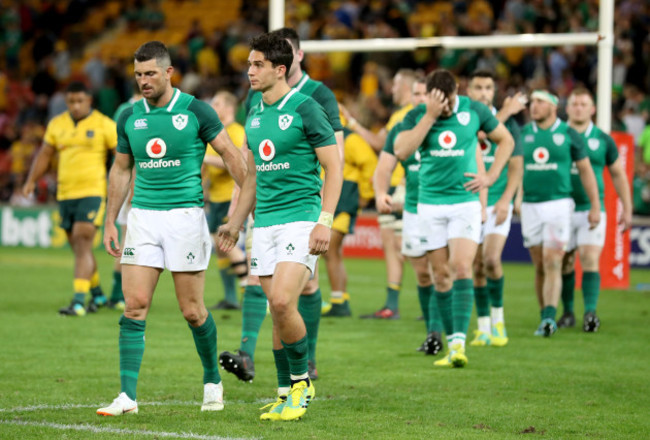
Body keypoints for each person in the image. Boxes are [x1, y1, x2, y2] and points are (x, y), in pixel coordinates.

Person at [96, 41, 251, 416]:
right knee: (134, 306)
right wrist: (110, 220)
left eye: (150, 73)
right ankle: (127, 396)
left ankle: (212, 381)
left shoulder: (196, 110)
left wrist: (246, 207)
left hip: (185, 218)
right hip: (143, 218)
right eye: (138, 75)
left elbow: (231, 154)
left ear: (168, 73)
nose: (143, 81)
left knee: (193, 311)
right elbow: (120, 169)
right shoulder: (129, 116)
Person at [218, 32, 342, 422]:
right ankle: (285, 390)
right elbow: (252, 175)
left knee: (285, 301)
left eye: (257, 65)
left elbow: (334, 166)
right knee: (276, 308)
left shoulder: (306, 108)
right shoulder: (254, 110)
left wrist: (325, 221)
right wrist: (235, 223)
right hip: (265, 224)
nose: (249, 71)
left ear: (280, 69)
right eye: (249, 64)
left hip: (301, 218)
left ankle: (302, 386)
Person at [394, 69, 515, 368]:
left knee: (462, 266)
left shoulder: (474, 110)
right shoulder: (418, 115)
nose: (445, 108)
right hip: (430, 206)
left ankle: (459, 344)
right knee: (441, 276)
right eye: (439, 103)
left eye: (447, 102)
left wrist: (491, 175)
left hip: (465, 203)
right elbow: (401, 151)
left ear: (456, 91)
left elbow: (507, 141)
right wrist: (430, 116)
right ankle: (451, 343)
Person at [23, 81, 115, 316]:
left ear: (89, 100)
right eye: (71, 101)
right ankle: (98, 294)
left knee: (83, 242)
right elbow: (45, 154)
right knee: (79, 249)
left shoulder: (104, 124)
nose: (75, 106)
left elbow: (122, 157)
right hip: (65, 194)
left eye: (80, 101)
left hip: (92, 192)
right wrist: (31, 180)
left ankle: (77, 302)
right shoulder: (57, 124)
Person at [519, 90, 600, 337]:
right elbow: (515, 168)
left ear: (554, 107)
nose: (534, 106)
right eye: (532, 102)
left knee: (553, 260)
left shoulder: (568, 134)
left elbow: (586, 171)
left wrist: (596, 204)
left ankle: (549, 319)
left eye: (540, 102)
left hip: (558, 205)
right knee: (540, 265)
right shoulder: (523, 134)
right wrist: (515, 196)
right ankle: (545, 314)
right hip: (530, 206)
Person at [374, 77, 444, 354]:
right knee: (424, 274)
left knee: (442, 271)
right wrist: (381, 192)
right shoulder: (402, 128)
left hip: (442, 207)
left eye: (425, 94)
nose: (419, 99)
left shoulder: (447, 124)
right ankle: (433, 332)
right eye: (415, 94)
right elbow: (384, 166)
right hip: (414, 208)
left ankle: (447, 332)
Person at [342, 69, 418, 319]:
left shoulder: (410, 115)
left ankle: (424, 305)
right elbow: (379, 143)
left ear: (406, 87)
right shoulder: (399, 115)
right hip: (394, 185)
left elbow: (377, 144)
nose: (391, 90)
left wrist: (352, 123)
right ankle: (393, 304)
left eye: (395, 85)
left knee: (409, 247)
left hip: (404, 185)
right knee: (394, 245)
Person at [558, 88, 632, 332]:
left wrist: (627, 206)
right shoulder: (558, 135)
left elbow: (618, 174)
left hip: (593, 207)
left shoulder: (602, 139)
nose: (578, 107)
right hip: (560, 208)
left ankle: (590, 313)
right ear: (567, 108)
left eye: (583, 104)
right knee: (565, 262)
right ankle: (567, 312)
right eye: (574, 103)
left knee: (589, 258)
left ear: (592, 109)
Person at [465, 70, 524, 347]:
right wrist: (506, 112)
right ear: (468, 90)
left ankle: (498, 321)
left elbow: (516, 166)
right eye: (478, 87)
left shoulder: (510, 126)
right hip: (472, 201)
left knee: (490, 259)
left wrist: (507, 200)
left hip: (499, 198)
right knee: (475, 265)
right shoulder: (463, 118)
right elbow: (474, 136)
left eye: (489, 87)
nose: (484, 93)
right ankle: (483, 327)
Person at [321, 116, 377, 318]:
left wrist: (365, 194)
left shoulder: (350, 138)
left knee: (330, 250)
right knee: (333, 252)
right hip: (332, 197)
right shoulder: (325, 134)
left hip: (345, 199)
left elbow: (370, 163)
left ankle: (339, 301)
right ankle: (340, 299)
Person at [203, 90, 247, 310]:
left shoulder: (236, 131)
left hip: (233, 197)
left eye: (217, 102)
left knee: (230, 245)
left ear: (230, 108)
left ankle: (249, 290)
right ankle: (231, 298)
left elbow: (237, 161)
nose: (213, 106)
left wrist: (205, 157)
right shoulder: (216, 133)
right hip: (217, 198)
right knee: (221, 247)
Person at [108, 88, 143, 311]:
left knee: (130, 240)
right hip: (132, 183)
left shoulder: (124, 109)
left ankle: (117, 294)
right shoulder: (128, 110)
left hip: (138, 182)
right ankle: (118, 293)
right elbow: (120, 151)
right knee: (128, 240)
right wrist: (131, 184)